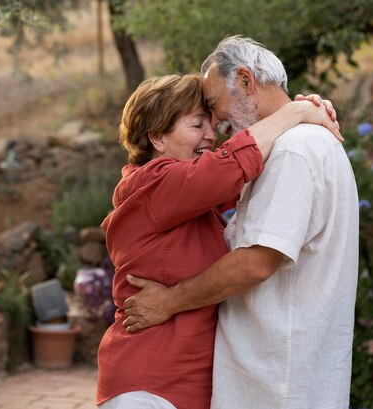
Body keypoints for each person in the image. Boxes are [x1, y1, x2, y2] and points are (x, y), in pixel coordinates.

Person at [122, 36, 359, 409]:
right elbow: (221, 173)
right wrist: (297, 111)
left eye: (213, 108)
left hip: (276, 382)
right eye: (200, 121)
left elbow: (255, 262)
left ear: (247, 82)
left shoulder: (293, 152)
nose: (216, 127)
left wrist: (170, 300)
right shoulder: (292, 146)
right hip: (273, 377)